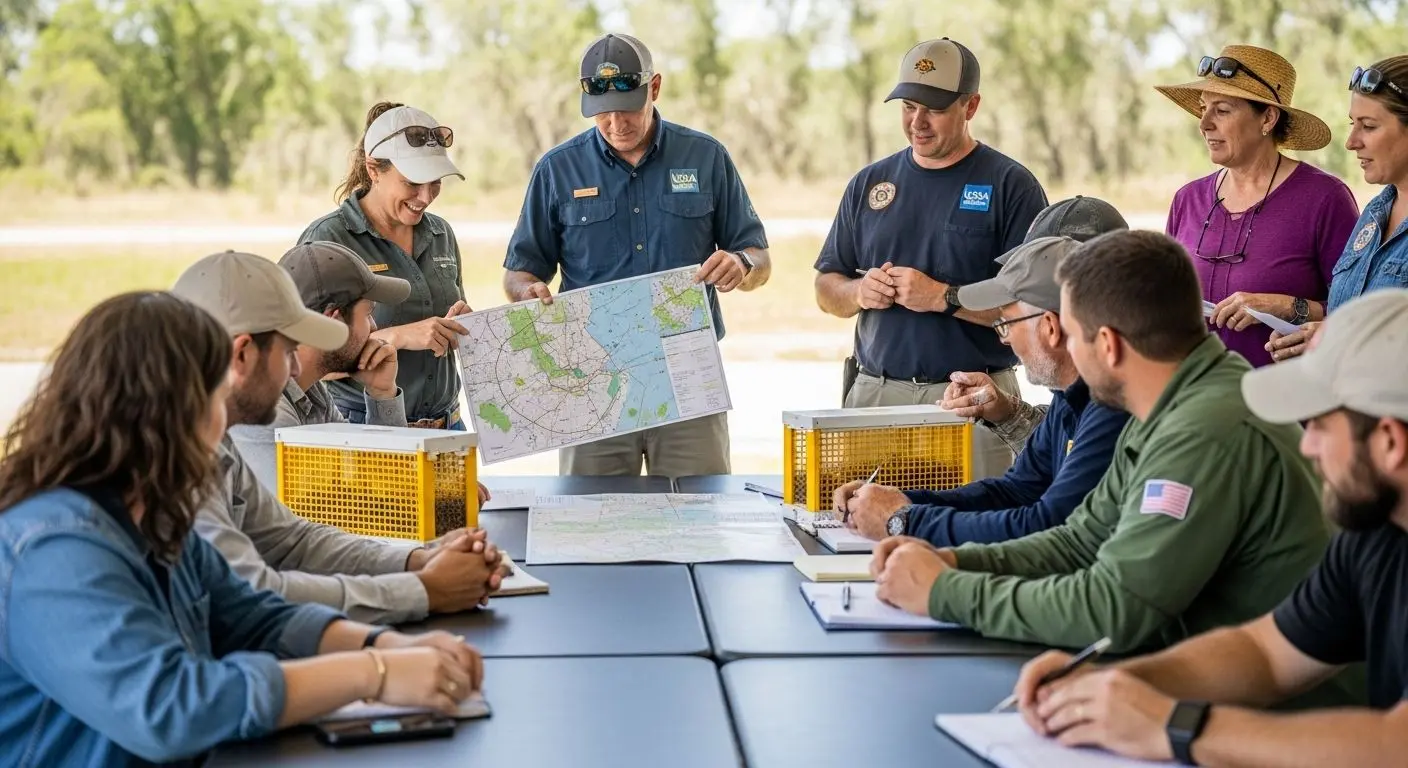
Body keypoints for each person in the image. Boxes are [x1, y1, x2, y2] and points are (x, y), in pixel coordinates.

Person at [0, 292, 484, 765]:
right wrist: (374, 673)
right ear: (164, 410)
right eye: (214, 396)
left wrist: (390, 645)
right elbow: (173, 708)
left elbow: (256, 615)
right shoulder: (55, 549)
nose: (221, 423)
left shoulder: (149, 514)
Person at [869, 230, 1330, 655]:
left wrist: (942, 591)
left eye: (1075, 336)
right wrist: (949, 559)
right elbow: (1077, 542)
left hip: (1277, 712)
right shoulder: (1169, 405)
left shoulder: (1203, 430)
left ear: (1107, 345)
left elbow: (1115, 609)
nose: (1067, 349)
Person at [1009, 289, 1408, 766]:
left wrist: (1170, 725)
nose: (1310, 446)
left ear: (1389, 442)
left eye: (1321, 424)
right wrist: (1122, 684)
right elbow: (1265, 651)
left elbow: (1395, 743)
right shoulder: (1378, 533)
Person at [173, 251, 503, 625]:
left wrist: (416, 561)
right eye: (287, 351)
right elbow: (251, 589)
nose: (297, 367)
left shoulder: (213, 441)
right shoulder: (173, 461)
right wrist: (425, 589)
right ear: (242, 355)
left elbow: (293, 540)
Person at [503, 33, 771, 477]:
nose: (615, 123)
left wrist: (743, 265)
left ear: (656, 88)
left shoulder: (706, 157)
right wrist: (526, 292)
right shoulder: (557, 169)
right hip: (590, 378)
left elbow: (760, 259)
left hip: (689, 377)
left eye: (627, 107)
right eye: (601, 113)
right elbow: (519, 273)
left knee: (700, 518)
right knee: (591, 525)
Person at [813, 38, 1048, 479]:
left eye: (934, 109)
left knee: (975, 537)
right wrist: (859, 291)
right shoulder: (869, 182)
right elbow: (827, 287)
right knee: (859, 535)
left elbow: (1035, 310)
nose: (917, 121)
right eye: (908, 106)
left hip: (972, 399)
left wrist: (945, 297)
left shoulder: (1011, 185)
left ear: (971, 106)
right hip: (874, 396)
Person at [834, 236, 1128, 548]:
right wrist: (900, 499)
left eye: (1006, 324)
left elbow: (1046, 524)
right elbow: (1014, 491)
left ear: (1050, 327)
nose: (1005, 340)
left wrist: (903, 520)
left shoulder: (1110, 409)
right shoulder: (1069, 398)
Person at [228, 241, 490, 504]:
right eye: (368, 314)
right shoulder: (265, 411)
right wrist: (436, 491)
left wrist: (382, 394)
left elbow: (377, 476)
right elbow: (329, 515)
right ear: (334, 320)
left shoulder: (311, 390)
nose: (374, 327)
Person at [1158, 45, 1359, 368]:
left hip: (1286, 407)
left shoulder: (1324, 199)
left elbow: (1359, 314)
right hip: (1193, 401)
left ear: (1267, 117)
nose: (1204, 123)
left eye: (1222, 110)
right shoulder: (1187, 199)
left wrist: (1281, 306)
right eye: (1203, 108)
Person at [300, 102, 472, 429]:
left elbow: (450, 320)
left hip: (448, 427)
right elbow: (301, 360)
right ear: (374, 169)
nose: (425, 196)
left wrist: (464, 325)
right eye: (412, 182)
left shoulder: (441, 233)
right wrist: (398, 337)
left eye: (436, 182)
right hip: (364, 428)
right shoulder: (329, 238)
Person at [940, 195, 1128, 452]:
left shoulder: (1121, 395)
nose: (1005, 338)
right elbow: (1055, 451)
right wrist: (1006, 411)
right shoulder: (1077, 379)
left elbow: (1065, 472)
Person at [1270, 56, 1408, 362]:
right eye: (1352, 124)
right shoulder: (1374, 213)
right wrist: (1315, 334)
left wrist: (1336, 339)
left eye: (1369, 126)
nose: (1351, 142)